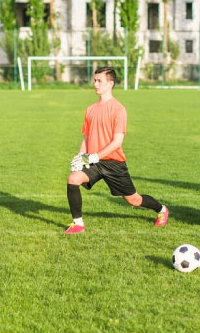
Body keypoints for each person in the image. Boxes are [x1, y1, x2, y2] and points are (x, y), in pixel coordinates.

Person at [65, 66, 169, 234]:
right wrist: (80, 157)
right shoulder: (90, 110)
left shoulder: (119, 109)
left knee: (134, 200)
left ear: (110, 83)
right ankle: (78, 224)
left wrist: (94, 157)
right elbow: (86, 137)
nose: (95, 84)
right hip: (94, 161)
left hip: (114, 163)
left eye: (99, 81)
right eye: (95, 80)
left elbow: (117, 142)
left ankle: (161, 209)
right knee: (73, 179)